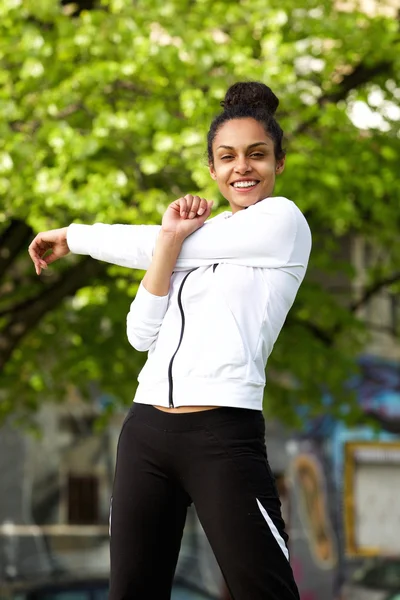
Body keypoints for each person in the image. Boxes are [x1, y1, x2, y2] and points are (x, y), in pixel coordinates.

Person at [29, 81, 311, 600]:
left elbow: (159, 244)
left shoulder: (282, 222)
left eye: (257, 155)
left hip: (222, 434)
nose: (242, 167)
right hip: (146, 432)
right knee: (132, 592)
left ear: (279, 163)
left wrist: (76, 236)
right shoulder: (189, 245)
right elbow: (141, 335)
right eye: (227, 157)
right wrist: (169, 240)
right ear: (211, 169)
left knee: (262, 589)